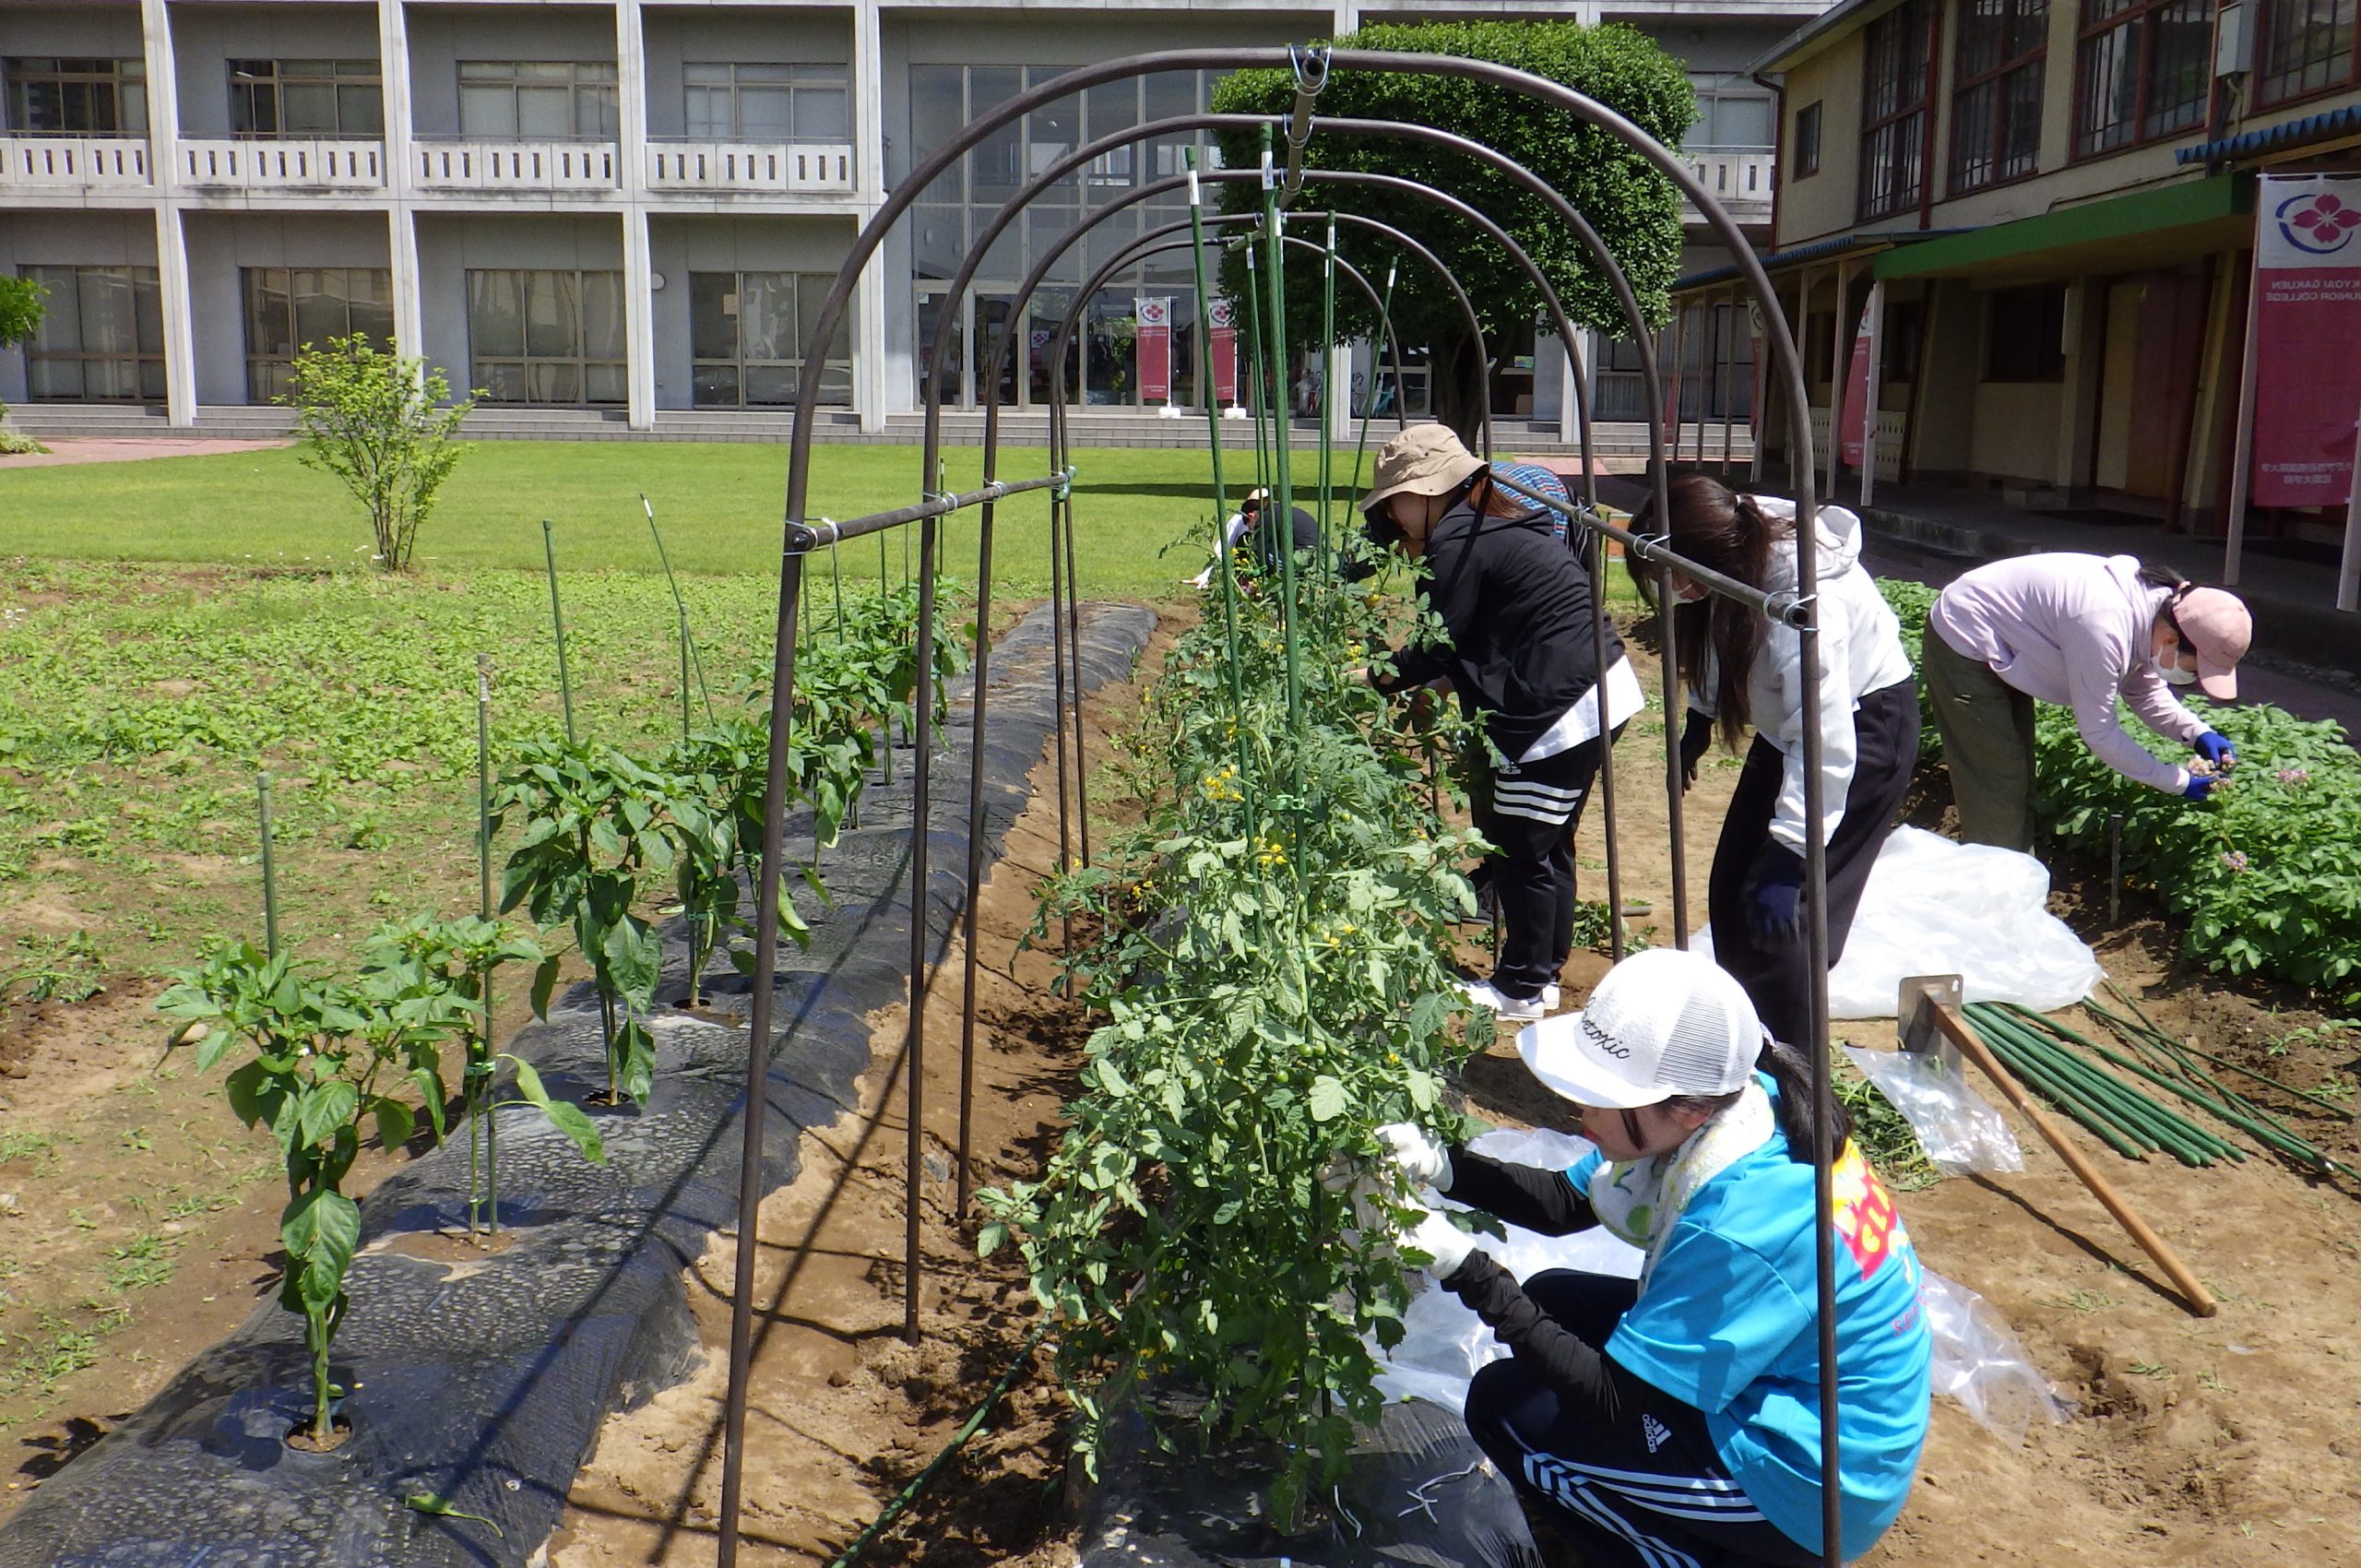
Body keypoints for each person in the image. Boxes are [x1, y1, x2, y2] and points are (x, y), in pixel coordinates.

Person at [1374, 947, 1931, 1568]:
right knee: (1554, 1300)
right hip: (1797, 1400)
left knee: (1502, 1408)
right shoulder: (1743, 1106)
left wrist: (1469, 1270)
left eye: (1603, 1095)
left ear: (1687, 1108)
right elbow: (1565, 1202)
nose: (1580, 1110)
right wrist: (1443, 1166)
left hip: (1813, 1488)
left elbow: (1615, 1401)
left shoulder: (1740, 1224)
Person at [1359, 423, 1643, 1022]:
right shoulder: (1493, 519)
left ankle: (1520, 988)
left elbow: (1438, 646)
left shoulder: (1458, 539)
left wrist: (1370, 677)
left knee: (1520, 848)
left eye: (1393, 503)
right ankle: (1541, 977)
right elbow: (1476, 636)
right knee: (1545, 844)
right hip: (1598, 689)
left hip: (1558, 707)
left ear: (1425, 491)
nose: (1392, 520)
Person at [1631, 475, 1919, 1052]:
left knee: (1786, 920)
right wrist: (1701, 718)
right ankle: (1744, 1047)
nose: (1668, 590)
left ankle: (1796, 1075)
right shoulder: (1736, 545)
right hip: (1791, 730)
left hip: (1862, 734)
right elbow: (1721, 632)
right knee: (1730, 889)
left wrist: (1791, 852)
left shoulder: (1808, 609)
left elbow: (1825, 739)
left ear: (1707, 559)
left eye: (1670, 576)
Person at [1922, 553, 2251, 851]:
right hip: (1965, 635)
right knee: (1998, 782)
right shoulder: (2103, 625)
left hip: (2009, 637)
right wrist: (2177, 781)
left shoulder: (2158, 612)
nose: (2191, 679)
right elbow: (2099, 733)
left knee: (2016, 776)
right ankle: (1994, 890)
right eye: (2193, 671)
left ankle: (2014, 878)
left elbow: (2145, 692)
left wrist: (2198, 733)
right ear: (2171, 640)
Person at [1186, 486, 1323, 590]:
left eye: (1249, 525)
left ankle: (1266, 588)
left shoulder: (1266, 519)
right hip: (1317, 555)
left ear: (1251, 516)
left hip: (1307, 561)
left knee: (1264, 553)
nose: (1251, 529)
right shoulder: (1279, 510)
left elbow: (1259, 553)